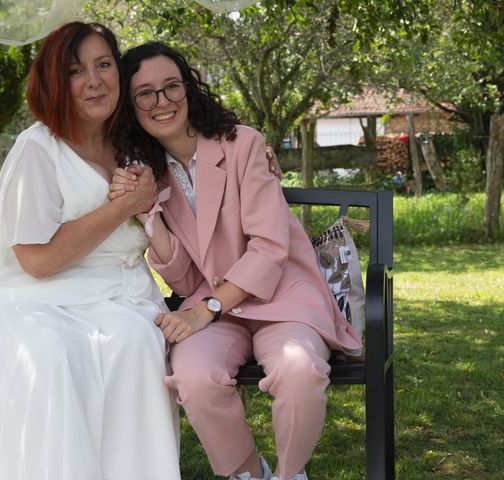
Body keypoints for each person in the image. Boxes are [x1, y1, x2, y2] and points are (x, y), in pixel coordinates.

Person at [110, 42, 362, 480]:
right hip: (214, 306)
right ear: (132, 107)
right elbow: (188, 278)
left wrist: (206, 310)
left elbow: (269, 248)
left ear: (188, 88)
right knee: (193, 376)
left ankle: (289, 475)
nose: (162, 102)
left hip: (282, 295)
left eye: (172, 86)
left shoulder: (242, 144)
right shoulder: (149, 171)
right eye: (145, 93)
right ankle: (248, 473)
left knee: (299, 371)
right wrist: (148, 216)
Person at [0, 23, 182, 480]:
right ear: (56, 82)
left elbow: (198, 134)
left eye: (103, 65)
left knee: (136, 345)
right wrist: (125, 208)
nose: (95, 80)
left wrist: (256, 150)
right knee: (49, 354)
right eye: (77, 71)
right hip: (32, 297)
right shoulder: (37, 149)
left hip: (117, 296)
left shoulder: (134, 142)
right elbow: (36, 262)